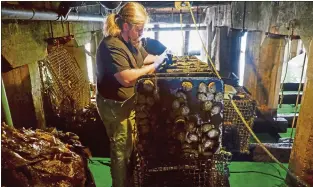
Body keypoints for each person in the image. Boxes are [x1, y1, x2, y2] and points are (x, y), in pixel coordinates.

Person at [95, 2, 168, 187]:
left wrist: (162, 58)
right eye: (139, 29)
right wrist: (154, 67)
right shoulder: (111, 45)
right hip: (114, 107)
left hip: (128, 102)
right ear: (126, 26)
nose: (142, 33)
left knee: (130, 143)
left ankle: (130, 180)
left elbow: (144, 58)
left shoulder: (131, 41)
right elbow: (126, 78)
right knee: (121, 150)